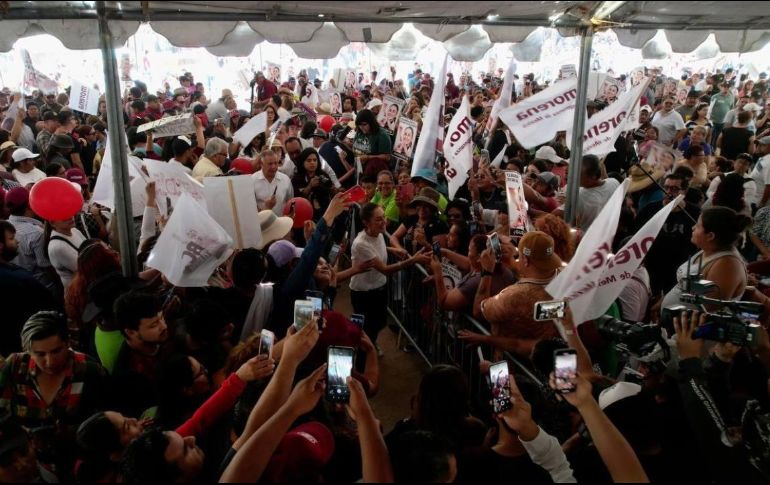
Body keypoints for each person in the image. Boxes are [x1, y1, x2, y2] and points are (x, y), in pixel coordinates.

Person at [0, 312, 108, 479]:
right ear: (27, 350)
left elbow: (104, 424)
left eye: (56, 351)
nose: (49, 362)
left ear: (68, 343)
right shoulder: (14, 368)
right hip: (27, 467)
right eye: (40, 354)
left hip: (80, 467)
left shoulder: (90, 371)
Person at [461, 232, 563, 359]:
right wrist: (510, 261)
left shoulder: (514, 296)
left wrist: (487, 271)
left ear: (525, 260)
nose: (517, 259)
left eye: (519, 256)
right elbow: (535, 273)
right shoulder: (567, 276)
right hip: (555, 359)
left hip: (518, 365)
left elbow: (478, 310)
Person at [351, 203, 429, 348]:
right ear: (366, 223)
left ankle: (371, 344)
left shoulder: (378, 232)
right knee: (368, 329)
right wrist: (413, 260)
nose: (384, 222)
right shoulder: (360, 243)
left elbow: (376, 247)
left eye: (384, 217)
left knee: (380, 323)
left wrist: (392, 250)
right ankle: (363, 360)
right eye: (379, 219)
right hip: (364, 294)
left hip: (379, 288)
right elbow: (385, 269)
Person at [661, 206, 751, 311]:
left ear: (710, 236)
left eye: (698, 226)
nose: (693, 228)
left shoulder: (727, 265)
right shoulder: (708, 250)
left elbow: (709, 310)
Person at [0, 220, 57, 356]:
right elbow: (47, 308)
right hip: (32, 345)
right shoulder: (19, 279)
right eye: (11, 239)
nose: (17, 242)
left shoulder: (16, 275)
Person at [573, 155, 620, 231]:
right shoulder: (614, 182)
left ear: (593, 176)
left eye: (579, 174)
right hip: (613, 231)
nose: (575, 176)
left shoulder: (580, 195)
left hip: (589, 238)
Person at [291, 147, 333, 220]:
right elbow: (297, 198)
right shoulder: (297, 178)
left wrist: (333, 189)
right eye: (309, 160)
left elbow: (329, 190)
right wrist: (310, 186)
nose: (312, 163)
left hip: (324, 214)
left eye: (315, 160)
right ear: (303, 162)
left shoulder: (323, 175)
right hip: (305, 215)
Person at [47, 215, 87, 289]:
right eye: (64, 215)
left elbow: (88, 247)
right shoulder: (58, 247)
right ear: (52, 223)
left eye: (70, 212)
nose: (70, 217)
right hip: (79, 289)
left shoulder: (74, 230)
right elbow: (85, 268)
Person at [352, 109, 392, 177]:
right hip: (359, 170)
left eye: (364, 124)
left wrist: (368, 157)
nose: (361, 127)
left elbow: (387, 157)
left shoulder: (381, 135)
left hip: (373, 173)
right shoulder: (359, 132)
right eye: (359, 125)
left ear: (371, 122)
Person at [253, 148, 294, 215]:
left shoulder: (285, 180)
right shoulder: (253, 180)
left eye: (276, 163)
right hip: (261, 223)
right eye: (270, 164)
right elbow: (251, 208)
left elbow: (290, 202)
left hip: (282, 222)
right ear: (261, 164)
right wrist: (266, 207)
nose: (273, 166)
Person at [749, 136, 770, 208]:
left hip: (758, 203)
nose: (758, 147)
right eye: (758, 144)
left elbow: (769, 186)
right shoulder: (763, 158)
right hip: (754, 199)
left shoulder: (769, 162)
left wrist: (762, 204)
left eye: (763, 145)